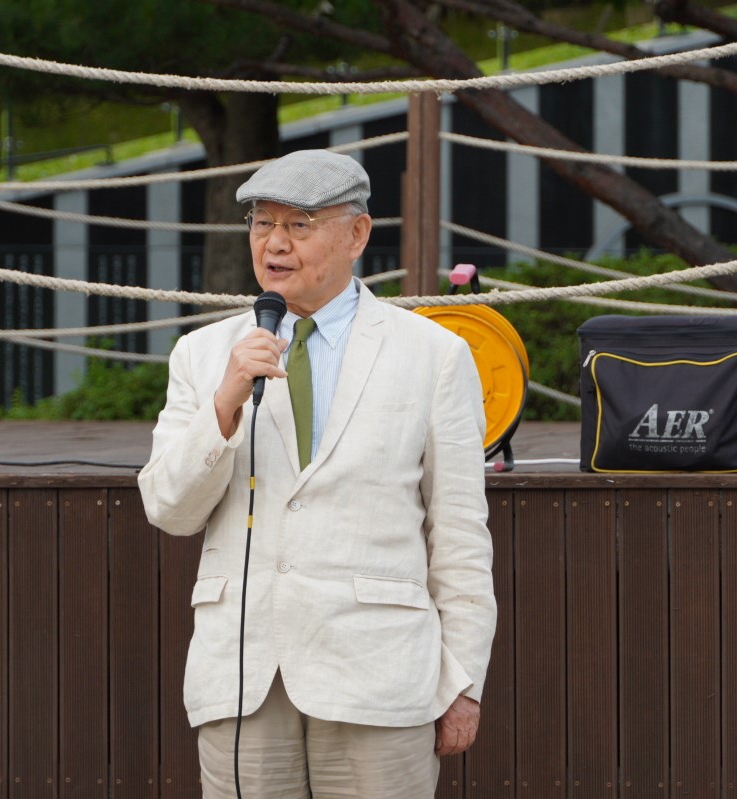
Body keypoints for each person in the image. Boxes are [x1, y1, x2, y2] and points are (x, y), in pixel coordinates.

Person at [138, 148, 496, 798]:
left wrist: (461, 680)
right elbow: (169, 508)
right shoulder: (203, 355)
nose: (274, 243)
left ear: (356, 234)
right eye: (260, 223)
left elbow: (461, 534)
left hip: (380, 676)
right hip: (242, 678)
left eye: (299, 225)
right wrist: (223, 404)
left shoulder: (433, 355)